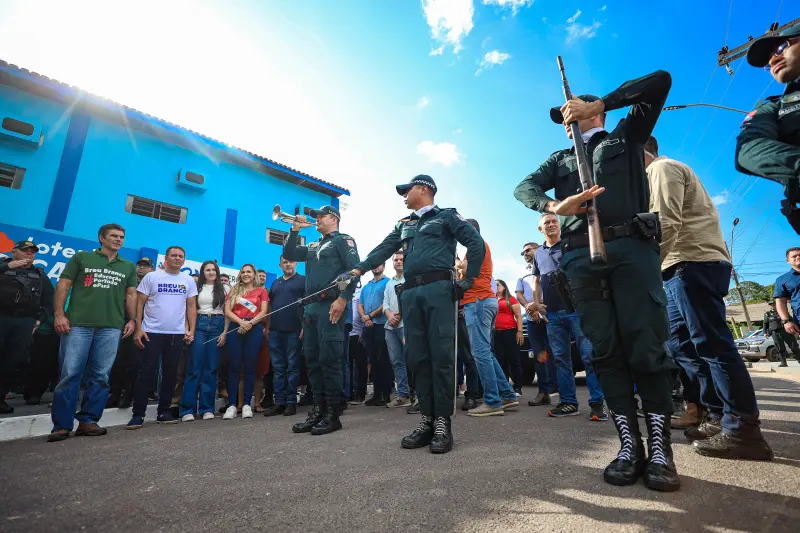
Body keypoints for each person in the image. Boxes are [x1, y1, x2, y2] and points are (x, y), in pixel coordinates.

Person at [513, 70, 680, 491]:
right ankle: (629, 446)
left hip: (631, 248)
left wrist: (602, 102)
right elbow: (523, 187)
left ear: (588, 110)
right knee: (604, 349)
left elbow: (660, 81)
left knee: (645, 343)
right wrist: (556, 204)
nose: (567, 119)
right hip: (578, 258)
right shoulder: (560, 159)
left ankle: (660, 448)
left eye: (572, 111)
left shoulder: (626, 136)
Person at [645, 138, 773, 460]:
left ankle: (744, 430)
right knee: (681, 345)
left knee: (712, 344)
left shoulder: (661, 168)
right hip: (676, 266)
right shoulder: (657, 173)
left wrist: (641, 273)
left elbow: (666, 223)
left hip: (692, 261)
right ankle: (716, 414)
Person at [349, 175, 485, 453]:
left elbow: (476, 244)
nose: (403, 195)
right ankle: (426, 419)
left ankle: (442, 422)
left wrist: (467, 281)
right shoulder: (403, 224)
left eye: (407, 190)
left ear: (424, 189)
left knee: (442, 356)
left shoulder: (446, 216)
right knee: (418, 358)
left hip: (439, 290)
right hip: (409, 294)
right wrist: (359, 269)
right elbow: (384, 249)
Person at [49, 224, 138, 442]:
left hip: (111, 327)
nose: (118, 240)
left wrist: (133, 319)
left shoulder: (127, 266)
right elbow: (63, 286)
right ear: (101, 238)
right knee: (70, 374)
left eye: (122, 237)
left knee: (100, 376)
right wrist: (59, 315)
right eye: (114, 236)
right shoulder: (82, 258)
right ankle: (61, 425)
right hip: (78, 324)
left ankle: (88, 421)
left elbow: (131, 295)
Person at [283, 205, 359, 435]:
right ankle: (318, 409)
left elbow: (353, 270)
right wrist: (295, 230)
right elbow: (290, 254)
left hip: (332, 305)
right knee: (313, 360)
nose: (316, 219)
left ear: (334, 218)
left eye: (320, 216)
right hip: (311, 308)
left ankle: (333, 414)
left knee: (330, 359)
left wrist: (344, 298)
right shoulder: (314, 245)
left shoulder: (343, 241)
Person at [530, 213, 606, 422]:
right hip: (553, 314)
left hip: (576, 310)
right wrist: (537, 303)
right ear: (540, 229)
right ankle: (569, 403)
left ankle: (597, 404)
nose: (552, 224)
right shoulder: (538, 254)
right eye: (547, 223)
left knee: (589, 357)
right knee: (561, 359)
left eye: (555, 221)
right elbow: (536, 280)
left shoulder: (570, 245)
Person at [736, 27, 800, 234]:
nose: (772, 61)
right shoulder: (774, 106)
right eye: (767, 61)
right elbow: (749, 149)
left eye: (782, 46)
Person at [125, 246, 197, 429]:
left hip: (176, 334)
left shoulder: (188, 280)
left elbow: (190, 307)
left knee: (170, 374)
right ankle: (138, 414)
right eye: (174, 255)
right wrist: (138, 328)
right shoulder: (152, 277)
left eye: (181, 256)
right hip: (151, 332)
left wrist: (191, 330)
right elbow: (140, 303)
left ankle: (163, 411)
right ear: (166, 258)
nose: (177, 258)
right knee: (145, 373)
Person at [460, 218, 519, 418]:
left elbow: (468, 270)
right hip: (482, 301)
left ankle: (493, 401)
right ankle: (507, 394)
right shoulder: (477, 246)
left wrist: (457, 264)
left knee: (480, 353)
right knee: (486, 352)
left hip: (478, 301)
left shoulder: (476, 244)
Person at [0, 240, 54, 414]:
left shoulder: (39, 275)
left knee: (12, 362)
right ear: (14, 251)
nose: (29, 254)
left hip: (24, 322)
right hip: (2, 317)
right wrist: (8, 266)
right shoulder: (3, 267)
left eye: (32, 252)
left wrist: (39, 320)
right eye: (25, 251)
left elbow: (48, 301)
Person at [179, 260, 230, 421]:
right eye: (207, 270)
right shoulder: (195, 287)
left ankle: (207, 409)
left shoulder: (226, 288)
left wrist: (225, 332)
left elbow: (228, 312)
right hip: (199, 324)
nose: (211, 272)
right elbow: (189, 309)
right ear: (203, 272)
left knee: (211, 369)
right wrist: (188, 329)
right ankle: (187, 410)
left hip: (218, 324)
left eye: (213, 270)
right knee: (194, 368)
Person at [222, 264, 268, 420]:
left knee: (250, 366)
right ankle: (232, 405)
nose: (245, 274)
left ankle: (247, 403)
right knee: (234, 366)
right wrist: (241, 323)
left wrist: (249, 324)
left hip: (253, 328)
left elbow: (263, 312)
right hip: (236, 326)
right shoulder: (234, 290)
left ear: (254, 274)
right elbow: (227, 311)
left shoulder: (261, 291)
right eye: (243, 272)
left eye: (249, 272)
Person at [107, 256, 154, 409]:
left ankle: (128, 395)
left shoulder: (153, 284)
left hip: (143, 328)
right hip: (121, 325)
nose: (141, 268)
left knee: (134, 364)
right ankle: (114, 393)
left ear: (151, 269)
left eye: (145, 266)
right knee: (117, 362)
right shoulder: (127, 282)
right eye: (139, 265)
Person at [516, 242, 558, 406]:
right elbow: (519, 294)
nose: (525, 254)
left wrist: (541, 307)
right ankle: (544, 391)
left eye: (528, 250)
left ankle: (560, 390)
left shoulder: (549, 264)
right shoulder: (522, 274)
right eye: (523, 252)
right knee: (540, 355)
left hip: (550, 315)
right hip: (533, 319)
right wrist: (530, 307)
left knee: (556, 353)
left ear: (537, 250)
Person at [263, 256, 305, 417]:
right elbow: (271, 307)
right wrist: (267, 327)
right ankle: (279, 402)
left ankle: (290, 403)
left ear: (296, 263)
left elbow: (308, 305)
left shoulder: (303, 281)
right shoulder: (275, 283)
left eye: (291, 261)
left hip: (294, 330)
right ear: (280, 265)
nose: (288, 264)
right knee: (278, 368)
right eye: (285, 262)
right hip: (275, 331)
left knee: (293, 367)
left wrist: (304, 327)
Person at [359, 263, 393, 407]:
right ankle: (377, 393)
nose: (375, 267)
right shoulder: (366, 287)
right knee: (372, 360)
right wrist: (364, 317)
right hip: (368, 327)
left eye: (379, 265)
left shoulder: (388, 283)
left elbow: (385, 303)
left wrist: (370, 316)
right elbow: (360, 304)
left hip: (381, 325)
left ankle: (385, 393)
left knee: (383, 359)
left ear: (384, 266)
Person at [384, 252, 413, 408]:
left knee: (411, 360)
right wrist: (389, 315)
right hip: (390, 327)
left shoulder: (410, 279)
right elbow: (385, 303)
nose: (399, 262)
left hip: (405, 325)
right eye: (396, 260)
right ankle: (403, 394)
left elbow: (411, 300)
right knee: (396, 362)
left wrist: (400, 316)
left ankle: (416, 394)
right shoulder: (389, 283)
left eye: (402, 259)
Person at [493, 280, 525, 396]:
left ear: (504, 287)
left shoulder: (511, 299)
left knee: (514, 360)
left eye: (498, 285)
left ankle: (517, 387)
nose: (496, 287)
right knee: (501, 361)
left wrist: (520, 331)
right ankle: (505, 387)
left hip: (510, 332)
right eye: (494, 284)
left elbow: (519, 316)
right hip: (496, 333)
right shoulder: (492, 299)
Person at [774, 247, 800, 355]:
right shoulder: (782, 280)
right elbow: (780, 302)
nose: (798, 257)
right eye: (794, 256)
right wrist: (786, 321)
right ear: (788, 260)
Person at [764, 299, 800, 366]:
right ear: (769, 305)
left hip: (785, 331)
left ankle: (799, 359)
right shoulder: (767, 314)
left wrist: (796, 330)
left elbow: (791, 320)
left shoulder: (782, 312)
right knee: (779, 348)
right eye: (771, 304)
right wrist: (765, 332)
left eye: (774, 304)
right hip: (775, 332)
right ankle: (783, 362)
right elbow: (765, 324)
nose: (773, 305)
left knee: (793, 346)